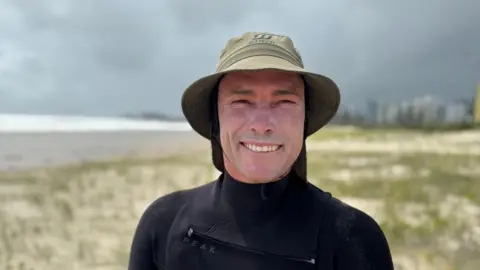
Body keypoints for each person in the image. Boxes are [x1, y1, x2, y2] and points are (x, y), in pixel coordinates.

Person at [128, 31, 394, 270]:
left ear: (304, 118)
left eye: (284, 101)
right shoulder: (163, 223)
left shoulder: (353, 239)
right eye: (241, 100)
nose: (262, 125)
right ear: (216, 120)